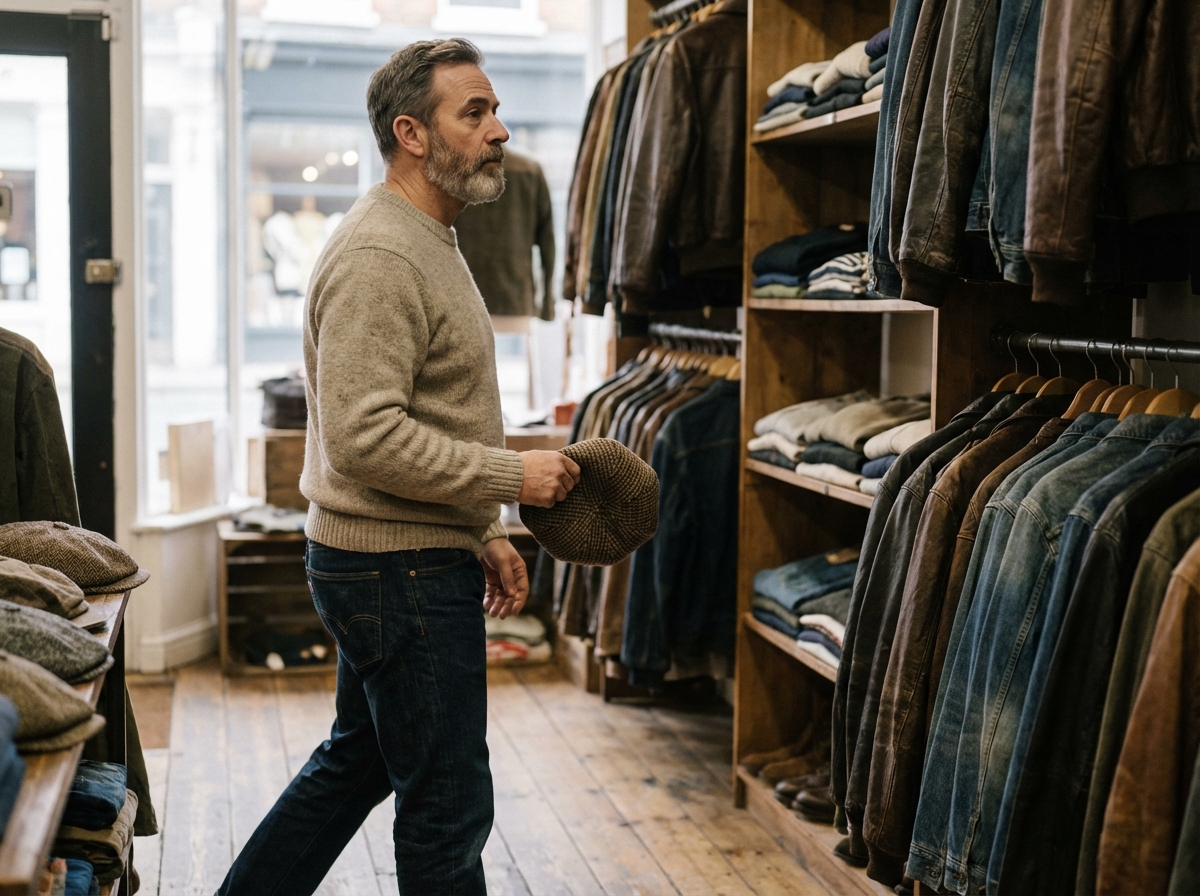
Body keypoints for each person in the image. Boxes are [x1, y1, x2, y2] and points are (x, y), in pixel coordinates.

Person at [216, 38, 580, 895]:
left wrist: (478, 531)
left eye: (494, 110)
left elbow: (423, 414)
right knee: (448, 802)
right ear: (412, 133)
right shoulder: (382, 254)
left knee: (360, 764)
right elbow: (365, 437)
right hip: (395, 571)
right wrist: (510, 478)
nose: (499, 130)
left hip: (406, 554)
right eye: (476, 113)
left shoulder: (430, 236)